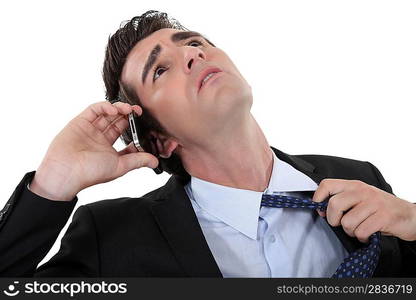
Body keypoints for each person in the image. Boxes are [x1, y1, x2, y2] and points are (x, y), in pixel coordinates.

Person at [0, 10, 415, 277]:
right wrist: (50, 186)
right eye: (160, 70)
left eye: (195, 44)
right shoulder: (109, 238)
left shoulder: (363, 179)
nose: (192, 57)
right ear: (160, 141)